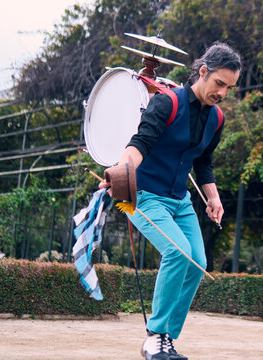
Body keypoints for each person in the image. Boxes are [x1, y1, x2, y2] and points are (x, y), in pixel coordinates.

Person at [100, 42, 241, 360]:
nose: (223, 92)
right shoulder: (167, 104)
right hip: (146, 197)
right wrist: (121, 171)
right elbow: (139, 143)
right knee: (179, 253)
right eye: (219, 83)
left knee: (197, 263)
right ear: (203, 72)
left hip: (180, 201)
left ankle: (166, 340)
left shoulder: (216, 119)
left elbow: (203, 161)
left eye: (229, 87)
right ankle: (155, 336)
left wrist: (213, 198)